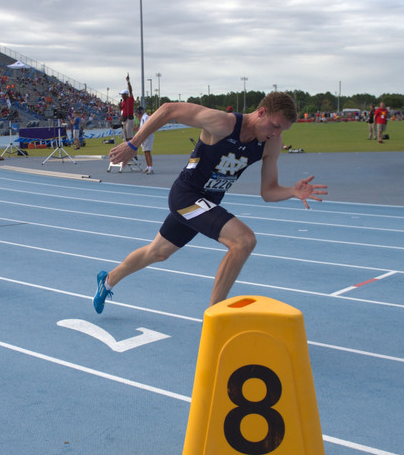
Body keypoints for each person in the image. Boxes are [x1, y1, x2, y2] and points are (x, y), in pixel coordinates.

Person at [93, 92, 327, 312]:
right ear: (262, 112)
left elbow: (269, 191)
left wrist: (292, 191)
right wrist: (133, 145)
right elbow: (168, 110)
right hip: (187, 195)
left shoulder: (270, 143)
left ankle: (108, 280)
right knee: (243, 241)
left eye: (282, 130)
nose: (277, 134)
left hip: (208, 202)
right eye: (275, 126)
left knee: (158, 252)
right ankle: (214, 315)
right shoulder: (223, 123)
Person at [137, 105, 154, 174]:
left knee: (147, 151)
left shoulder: (146, 117)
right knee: (145, 152)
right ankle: (148, 166)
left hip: (147, 136)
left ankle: (150, 167)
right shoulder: (142, 118)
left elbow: (147, 127)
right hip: (144, 136)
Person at [119, 75, 136, 141]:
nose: (122, 96)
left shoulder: (130, 99)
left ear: (126, 94)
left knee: (129, 136)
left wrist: (128, 82)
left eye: (123, 95)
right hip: (124, 119)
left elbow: (131, 91)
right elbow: (122, 111)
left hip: (129, 119)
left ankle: (130, 149)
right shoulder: (123, 102)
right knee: (124, 136)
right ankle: (126, 147)